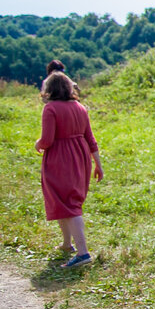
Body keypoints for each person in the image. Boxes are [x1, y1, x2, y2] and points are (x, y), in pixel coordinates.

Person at [34, 70, 103, 268]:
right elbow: (91, 138)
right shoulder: (80, 107)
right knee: (63, 199)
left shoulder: (50, 109)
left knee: (68, 201)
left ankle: (83, 253)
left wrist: (38, 144)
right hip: (80, 157)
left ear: (49, 89)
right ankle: (67, 244)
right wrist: (98, 164)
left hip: (60, 158)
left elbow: (47, 140)